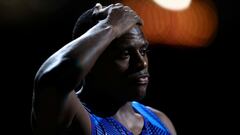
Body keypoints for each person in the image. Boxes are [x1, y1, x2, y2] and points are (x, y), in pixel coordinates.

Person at [31, 3, 176, 135]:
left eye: (143, 51)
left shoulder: (160, 121)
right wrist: (110, 26)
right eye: (124, 54)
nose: (142, 63)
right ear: (92, 60)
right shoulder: (74, 117)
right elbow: (50, 79)